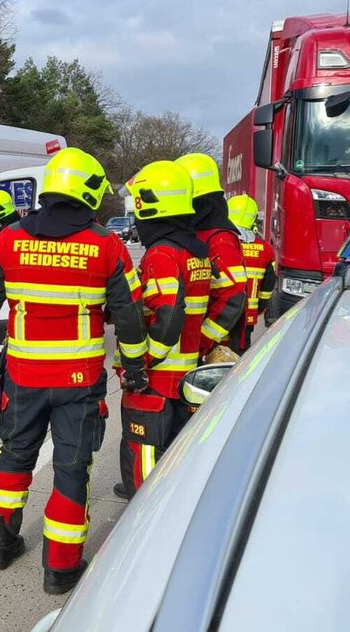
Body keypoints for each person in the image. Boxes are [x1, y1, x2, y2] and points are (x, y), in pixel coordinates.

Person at [0, 147, 147, 594]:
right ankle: (60, 570)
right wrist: (134, 366)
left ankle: (1, 545)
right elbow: (129, 313)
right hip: (78, 384)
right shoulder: (106, 244)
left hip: (23, 378)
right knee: (71, 468)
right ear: (86, 192)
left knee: (14, 457)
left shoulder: (8, 239)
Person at [114, 161, 211, 500]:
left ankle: (141, 533)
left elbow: (168, 317)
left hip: (157, 381)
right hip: (185, 374)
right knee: (175, 455)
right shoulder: (195, 251)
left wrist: (140, 364)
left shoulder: (162, 254)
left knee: (144, 459)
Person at [176, 153, 246, 359]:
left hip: (215, 351)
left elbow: (233, 294)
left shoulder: (218, 238)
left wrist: (202, 340)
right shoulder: (202, 231)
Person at [226, 194, 276, 354]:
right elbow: (268, 289)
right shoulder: (266, 250)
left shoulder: (221, 244)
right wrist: (258, 309)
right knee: (239, 360)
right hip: (247, 318)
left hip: (219, 315)